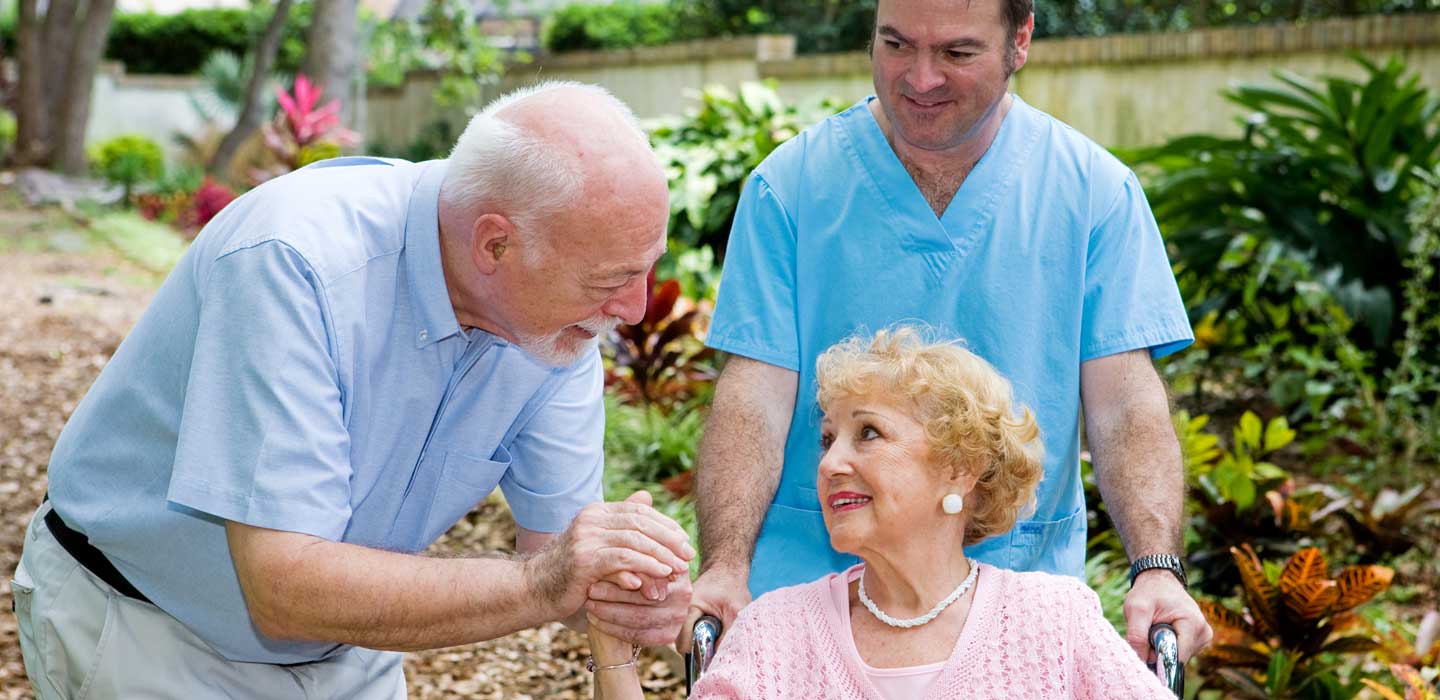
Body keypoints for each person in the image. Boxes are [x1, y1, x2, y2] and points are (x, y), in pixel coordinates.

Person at [10, 81, 694, 699]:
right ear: (494, 246)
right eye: (610, 281)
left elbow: (559, 567)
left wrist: (624, 590)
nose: (634, 309)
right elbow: (285, 587)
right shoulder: (295, 259)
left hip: (348, 642)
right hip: (148, 625)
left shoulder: (559, 326)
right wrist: (549, 586)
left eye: (646, 272)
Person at [678, 0, 1213, 664]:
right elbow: (753, 395)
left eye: (957, 54)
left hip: (1018, 607)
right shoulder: (789, 189)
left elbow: (1125, 403)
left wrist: (1157, 566)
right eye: (896, 45)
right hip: (808, 603)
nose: (920, 79)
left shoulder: (1095, 193)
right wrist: (727, 565)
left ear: (1020, 40)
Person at [691, 328, 1175, 698]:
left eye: (869, 433)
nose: (831, 463)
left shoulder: (1056, 622)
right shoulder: (772, 634)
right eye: (827, 440)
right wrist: (613, 651)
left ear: (959, 469)